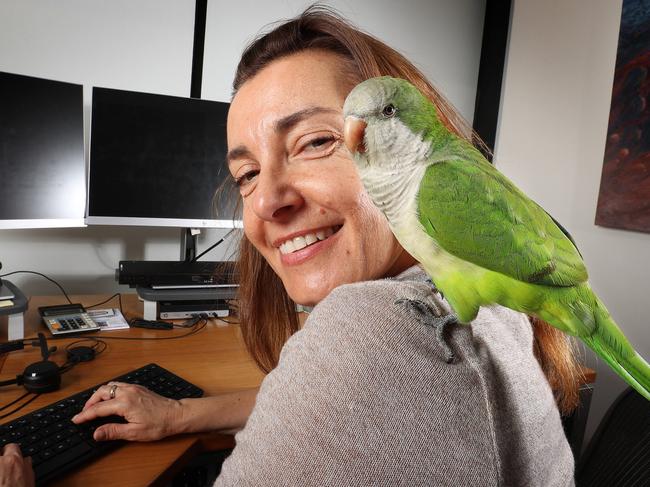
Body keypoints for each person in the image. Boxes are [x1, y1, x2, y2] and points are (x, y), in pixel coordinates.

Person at [2, 6, 580, 486]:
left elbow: (360, 376)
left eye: (316, 141)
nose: (265, 202)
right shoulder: (473, 296)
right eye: (247, 174)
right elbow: (332, 408)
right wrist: (181, 413)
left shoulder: (376, 329)